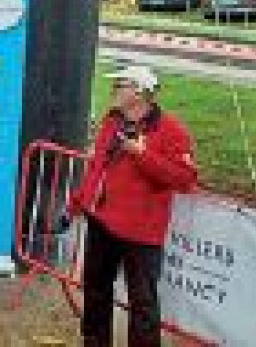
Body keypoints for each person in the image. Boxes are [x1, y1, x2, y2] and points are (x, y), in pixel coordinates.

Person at [71, 66, 196, 347]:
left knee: (142, 304)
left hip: (142, 232)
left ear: (138, 93)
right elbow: (98, 167)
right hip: (102, 221)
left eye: (119, 85)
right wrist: (79, 202)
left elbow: (185, 178)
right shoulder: (112, 120)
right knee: (95, 290)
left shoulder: (171, 130)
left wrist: (142, 154)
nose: (113, 90)